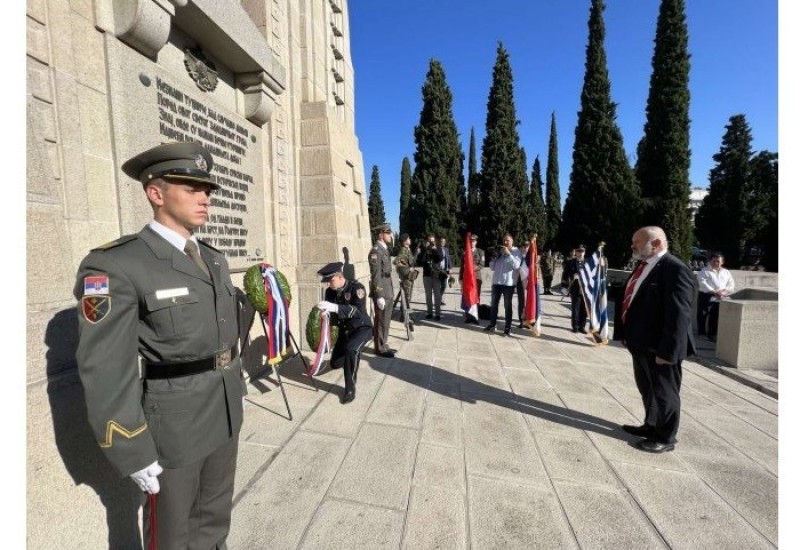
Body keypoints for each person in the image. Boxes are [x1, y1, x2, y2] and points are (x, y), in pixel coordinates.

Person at [73, 142, 246, 548]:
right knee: (171, 533)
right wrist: (130, 445)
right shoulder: (116, 264)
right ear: (156, 193)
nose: (205, 197)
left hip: (224, 411)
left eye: (208, 189)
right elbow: (104, 365)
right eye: (191, 187)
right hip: (173, 425)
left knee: (215, 523)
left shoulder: (214, 259)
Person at [616, 226, 696, 454]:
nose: (633, 247)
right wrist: (624, 334)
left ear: (657, 244)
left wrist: (668, 352)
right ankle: (651, 425)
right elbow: (629, 301)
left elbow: (679, 316)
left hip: (660, 347)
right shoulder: (644, 266)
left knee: (664, 392)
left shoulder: (675, 270)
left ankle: (666, 436)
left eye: (638, 243)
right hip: (640, 343)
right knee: (648, 389)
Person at [316, 262, 373, 404]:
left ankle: (350, 387)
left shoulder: (357, 288)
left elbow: (358, 311)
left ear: (339, 276)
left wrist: (334, 307)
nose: (328, 284)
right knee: (335, 363)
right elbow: (333, 313)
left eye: (330, 280)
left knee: (351, 350)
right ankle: (349, 359)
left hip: (361, 328)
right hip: (345, 330)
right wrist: (325, 314)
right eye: (327, 281)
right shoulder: (330, 291)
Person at [484, 233, 522, 336]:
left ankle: (507, 327)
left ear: (512, 241)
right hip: (496, 283)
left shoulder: (516, 251)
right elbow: (492, 268)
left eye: (507, 240)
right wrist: (493, 258)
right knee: (494, 305)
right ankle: (492, 325)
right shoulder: (500, 251)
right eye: (504, 240)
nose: (505, 242)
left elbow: (516, 265)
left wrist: (508, 254)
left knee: (507, 305)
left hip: (508, 284)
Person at [368, 223, 396, 358]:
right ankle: (379, 348)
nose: (390, 235)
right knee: (381, 320)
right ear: (380, 234)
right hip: (382, 290)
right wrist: (378, 295)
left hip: (388, 287)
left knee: (387, 318)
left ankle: (383, 342)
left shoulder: (384, 249)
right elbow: (375, 275)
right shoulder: (375, 251)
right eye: (388, 232)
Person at [696, 253, 735, 340]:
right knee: (703, 315)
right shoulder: (704, 271)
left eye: (718, 261)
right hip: (707, 295)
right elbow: (702, 283)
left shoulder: (726, 272)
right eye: (713, 261)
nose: (715, 263)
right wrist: (714, 291)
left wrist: (726, 291)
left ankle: (712, 334)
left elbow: (731, 283)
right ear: (710, 261)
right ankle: (701, 333)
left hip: (721, 297)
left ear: (722, 262)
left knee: (715, 316)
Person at [561, 244, 589, 333]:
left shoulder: (588, 263)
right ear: (575, 252)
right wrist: (564, 287)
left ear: (584, 253)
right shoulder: (571, 262)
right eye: (578, 251)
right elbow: (565, 275)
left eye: (582, 251)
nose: (580, 253)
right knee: (575, 308)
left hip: (585, 290)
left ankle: (582, 326)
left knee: (584, 309)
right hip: (575, 288)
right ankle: (575, 326)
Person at [417, 234, 444, 320]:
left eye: (433, 241)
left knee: (437, 295)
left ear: (435, 241)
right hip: (427, 275)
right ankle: (429, 312)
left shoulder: (438, 248)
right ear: (427, 241)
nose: (431, 243)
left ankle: (438, 314)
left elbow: (440, 258)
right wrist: (425, 249)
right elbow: (421, 261)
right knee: (428, 295)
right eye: (430, 241)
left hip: (436, 275)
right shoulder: (424, 250)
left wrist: (435, 250)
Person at [393, 233, 418, 309]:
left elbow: (411, 261)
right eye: (408, 238)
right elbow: (396, 262)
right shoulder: (403, 250)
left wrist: (416, 253)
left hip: (409, 277)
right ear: (404, 241)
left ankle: (404, 315)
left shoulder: (407, 250)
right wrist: (407, 269)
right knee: (407, 298)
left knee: (407, 297)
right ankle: (405, 316)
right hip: (406, 278)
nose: (410, 239)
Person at [459, 234, 485, 303]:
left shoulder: (480, 252)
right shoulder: (465, 253)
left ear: (476, 242)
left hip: (476, 277)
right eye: (470, 241)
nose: (472, 243)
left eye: (473, 241)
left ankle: (477, 312)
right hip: (467, 278)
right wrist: (460, 278)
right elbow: (462, 267)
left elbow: (481, 265)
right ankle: (467, 313)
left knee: (476, 296)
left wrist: (473, 268)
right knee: (467, 295)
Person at [516, 241, 530, 328]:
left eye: (526, 246)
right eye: (523, 247)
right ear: (520, 248)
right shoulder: (517, 257)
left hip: (529, 283)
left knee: (529, 301)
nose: (525, 248)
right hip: (520, 282)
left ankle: (529, 320)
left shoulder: (531, 258)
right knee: (521, 302)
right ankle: (521, 320)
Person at [439, 237, 452, 303]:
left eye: (444, 241)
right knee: (438, 285)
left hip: (445, 270)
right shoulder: (437, 249)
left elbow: (449, 259)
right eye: (441, 241)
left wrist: (450, 268)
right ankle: (440, 300)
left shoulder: (446, 249)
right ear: (439, 242)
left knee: (444, 285)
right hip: (438, 270)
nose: (442, 242)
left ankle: (439, 297)